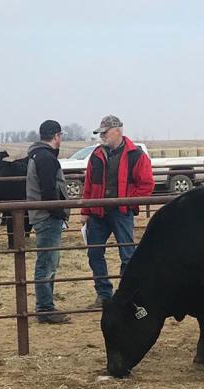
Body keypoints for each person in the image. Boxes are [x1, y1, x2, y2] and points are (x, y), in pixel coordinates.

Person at [81, 115, 154, 308]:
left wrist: (129, 202)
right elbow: (88, 184)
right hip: (98, 212)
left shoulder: (136, 155)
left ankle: (126, 294)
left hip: (121, 212)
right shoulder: (97, 155)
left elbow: (146, 185)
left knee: (127, 254)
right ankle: (104, 294)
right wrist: (86, 210)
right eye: (101, 133)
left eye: (105, 132)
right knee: (95, 253)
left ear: (117, 131)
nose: (102, 136)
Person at [26, 120, 70, 324]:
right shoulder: (46, 158)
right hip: (47, 217)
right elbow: (49, 191)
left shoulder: (38, 155)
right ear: (57, 136)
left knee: (49, 261)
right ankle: (45, 308)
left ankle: (46, 305)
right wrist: (59, 212)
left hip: (42, 215)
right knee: (47, 262)